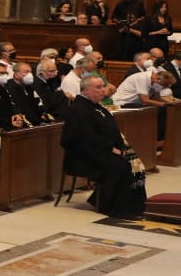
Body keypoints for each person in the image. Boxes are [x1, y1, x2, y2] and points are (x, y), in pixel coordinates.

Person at [62, 75, 145, 218]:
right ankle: (113, 207)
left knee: (134, 163)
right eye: (98, 87)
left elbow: (112, 130)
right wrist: (110, 149)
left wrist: (120, 148)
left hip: (100, 150)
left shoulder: (97, 106)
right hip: (83, 156)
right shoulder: (79, 109)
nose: (103, 90)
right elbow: (84, 138)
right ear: (86, 90)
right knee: (120, 166)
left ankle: (133, 206)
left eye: (103, 87)